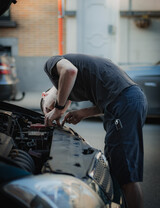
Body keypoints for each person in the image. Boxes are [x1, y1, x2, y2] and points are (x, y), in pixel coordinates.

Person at [41, 53, 148, 208]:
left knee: (127, 176)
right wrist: (82, 113)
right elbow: (108, 99)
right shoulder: (73, 86)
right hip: (126, 101)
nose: (51, 114)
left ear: (45, 95)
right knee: (119, 169)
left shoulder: (51, 64)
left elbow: (70, 71)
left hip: (126, 101)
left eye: (47, 109)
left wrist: (57, 108)